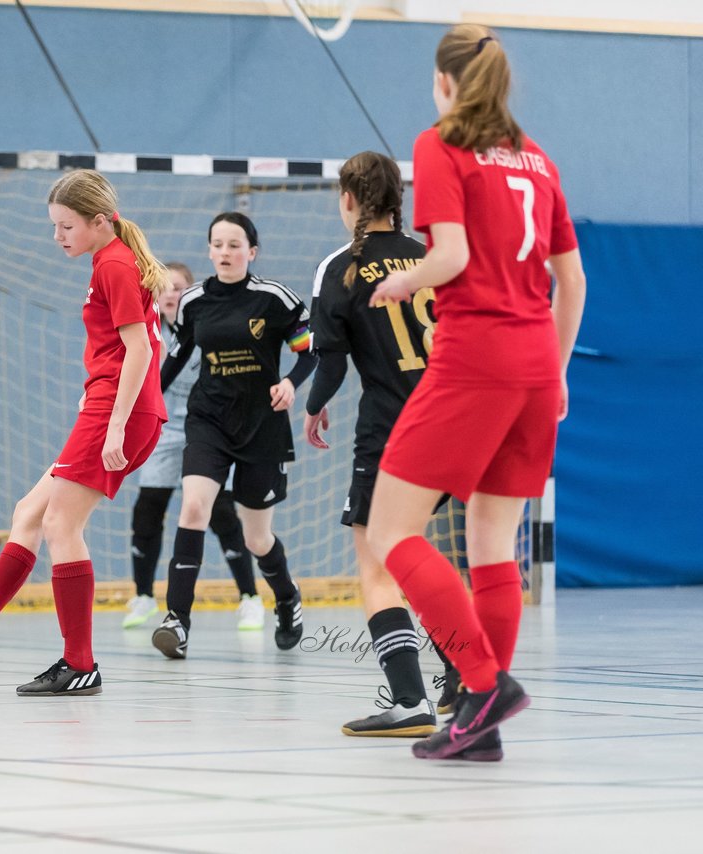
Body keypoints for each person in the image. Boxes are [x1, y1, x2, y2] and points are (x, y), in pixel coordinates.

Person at [365, 24, 586, 760]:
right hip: (532, 367)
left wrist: (405, 279)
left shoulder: (440, 145)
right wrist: (554, 371)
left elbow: (451, 254)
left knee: (391, 531)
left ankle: (482, 684)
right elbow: (572, 281)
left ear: (445, 82)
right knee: (492, 543)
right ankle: (477, 721)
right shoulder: (539, 159)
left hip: (475, 358)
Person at [0, 168, 169, 696]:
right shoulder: (110, 258)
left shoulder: (114, 265)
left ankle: (78, 662)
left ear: (100, 222)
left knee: (61, 525)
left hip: (119, 415)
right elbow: (142, 347)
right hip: (110, 407)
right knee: (29, 513)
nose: (57, 236)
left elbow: (143, 350)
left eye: (65, 226)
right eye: (54, 225)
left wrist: (115, 424)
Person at [303, 150, 438, 738]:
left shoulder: (341, 268)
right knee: (419, 558)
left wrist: (312, 407)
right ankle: (462, 675)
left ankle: (409, 698)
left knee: (377, 560)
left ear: (350, 200)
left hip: (391, 432)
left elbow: (328, 362)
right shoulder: (433, 256)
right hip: (449, 422)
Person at [150, 212, 317, 659]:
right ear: (209, 250)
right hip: (209, 420)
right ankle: (177, 620)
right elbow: (177, 356)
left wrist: (291, 384)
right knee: (193, 507)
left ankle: (286, 596)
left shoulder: (276, 300)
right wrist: (144, 404)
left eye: (234, 244)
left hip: (262, 425)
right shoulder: (192, 302)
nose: (225, 252)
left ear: (252, 252)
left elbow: (307, 351)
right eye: (217, 244)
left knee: (255, 538)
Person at [125, 262, 262, 632]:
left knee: (219, 512)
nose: (171, 293)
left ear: (190, 293)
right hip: (164, 429)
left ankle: (250, 597)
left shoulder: (207, 328)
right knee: (148, 510)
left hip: (207, 427)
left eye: (179, 287)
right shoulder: (145, 333)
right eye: (165, 287)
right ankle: (143, 596)